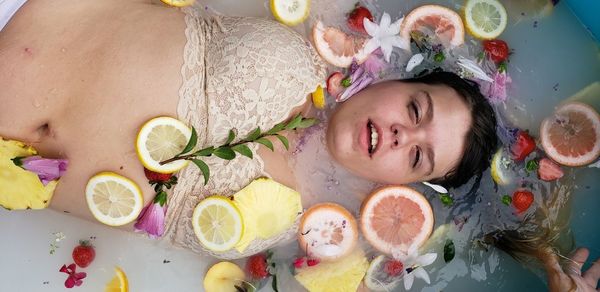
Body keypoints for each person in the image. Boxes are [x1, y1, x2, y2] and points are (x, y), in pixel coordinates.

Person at [0, 0, 497, 257]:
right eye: (415, 111)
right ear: (396, 82)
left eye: (417, 157)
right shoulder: (304, 38)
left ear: (396, 189)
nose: (400, 136)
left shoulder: (279, 224)